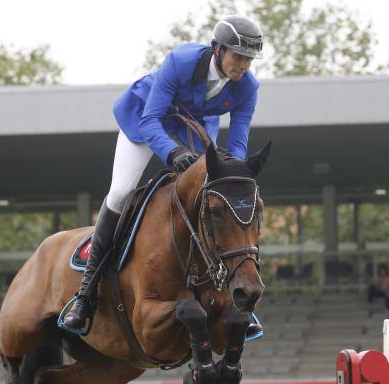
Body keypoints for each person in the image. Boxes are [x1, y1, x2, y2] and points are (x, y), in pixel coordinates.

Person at [63, 15, 264, 332]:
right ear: (217, 50)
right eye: (238, 56)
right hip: (146, 121)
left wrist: (230, 178)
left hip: (194, 129)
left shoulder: (248, 87)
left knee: (210, 199)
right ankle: (85, 294)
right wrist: (171, 152)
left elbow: (238, 142)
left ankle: (229, 297)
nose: (243, 66)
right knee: (120, 192)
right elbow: (150, 120)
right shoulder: (181, 61)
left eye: (249, 60)